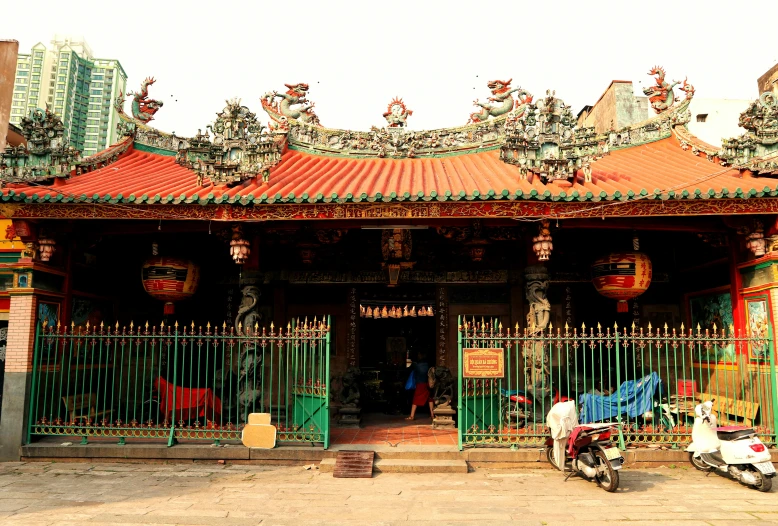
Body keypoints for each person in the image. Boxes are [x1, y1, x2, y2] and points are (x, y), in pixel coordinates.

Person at [406, 352, 434, 421]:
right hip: (428, 383)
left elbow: (408, 369)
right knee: (430, 398)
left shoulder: (416, 365)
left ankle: (412, 416)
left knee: (415, 399)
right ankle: (432, 415)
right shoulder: (428, 364)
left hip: (420, 384)